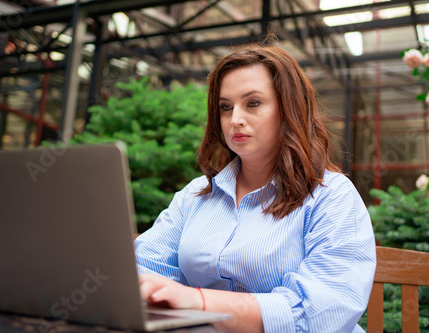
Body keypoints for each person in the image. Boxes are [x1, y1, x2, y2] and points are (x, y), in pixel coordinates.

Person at [134, 44, 376, 333]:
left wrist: (197, 300)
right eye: (225, 107)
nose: (235, 118)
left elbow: (319, 312)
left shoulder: (331, 196)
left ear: (289, 109)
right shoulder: (197, 194)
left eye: (253, 103)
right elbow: (144, 267)